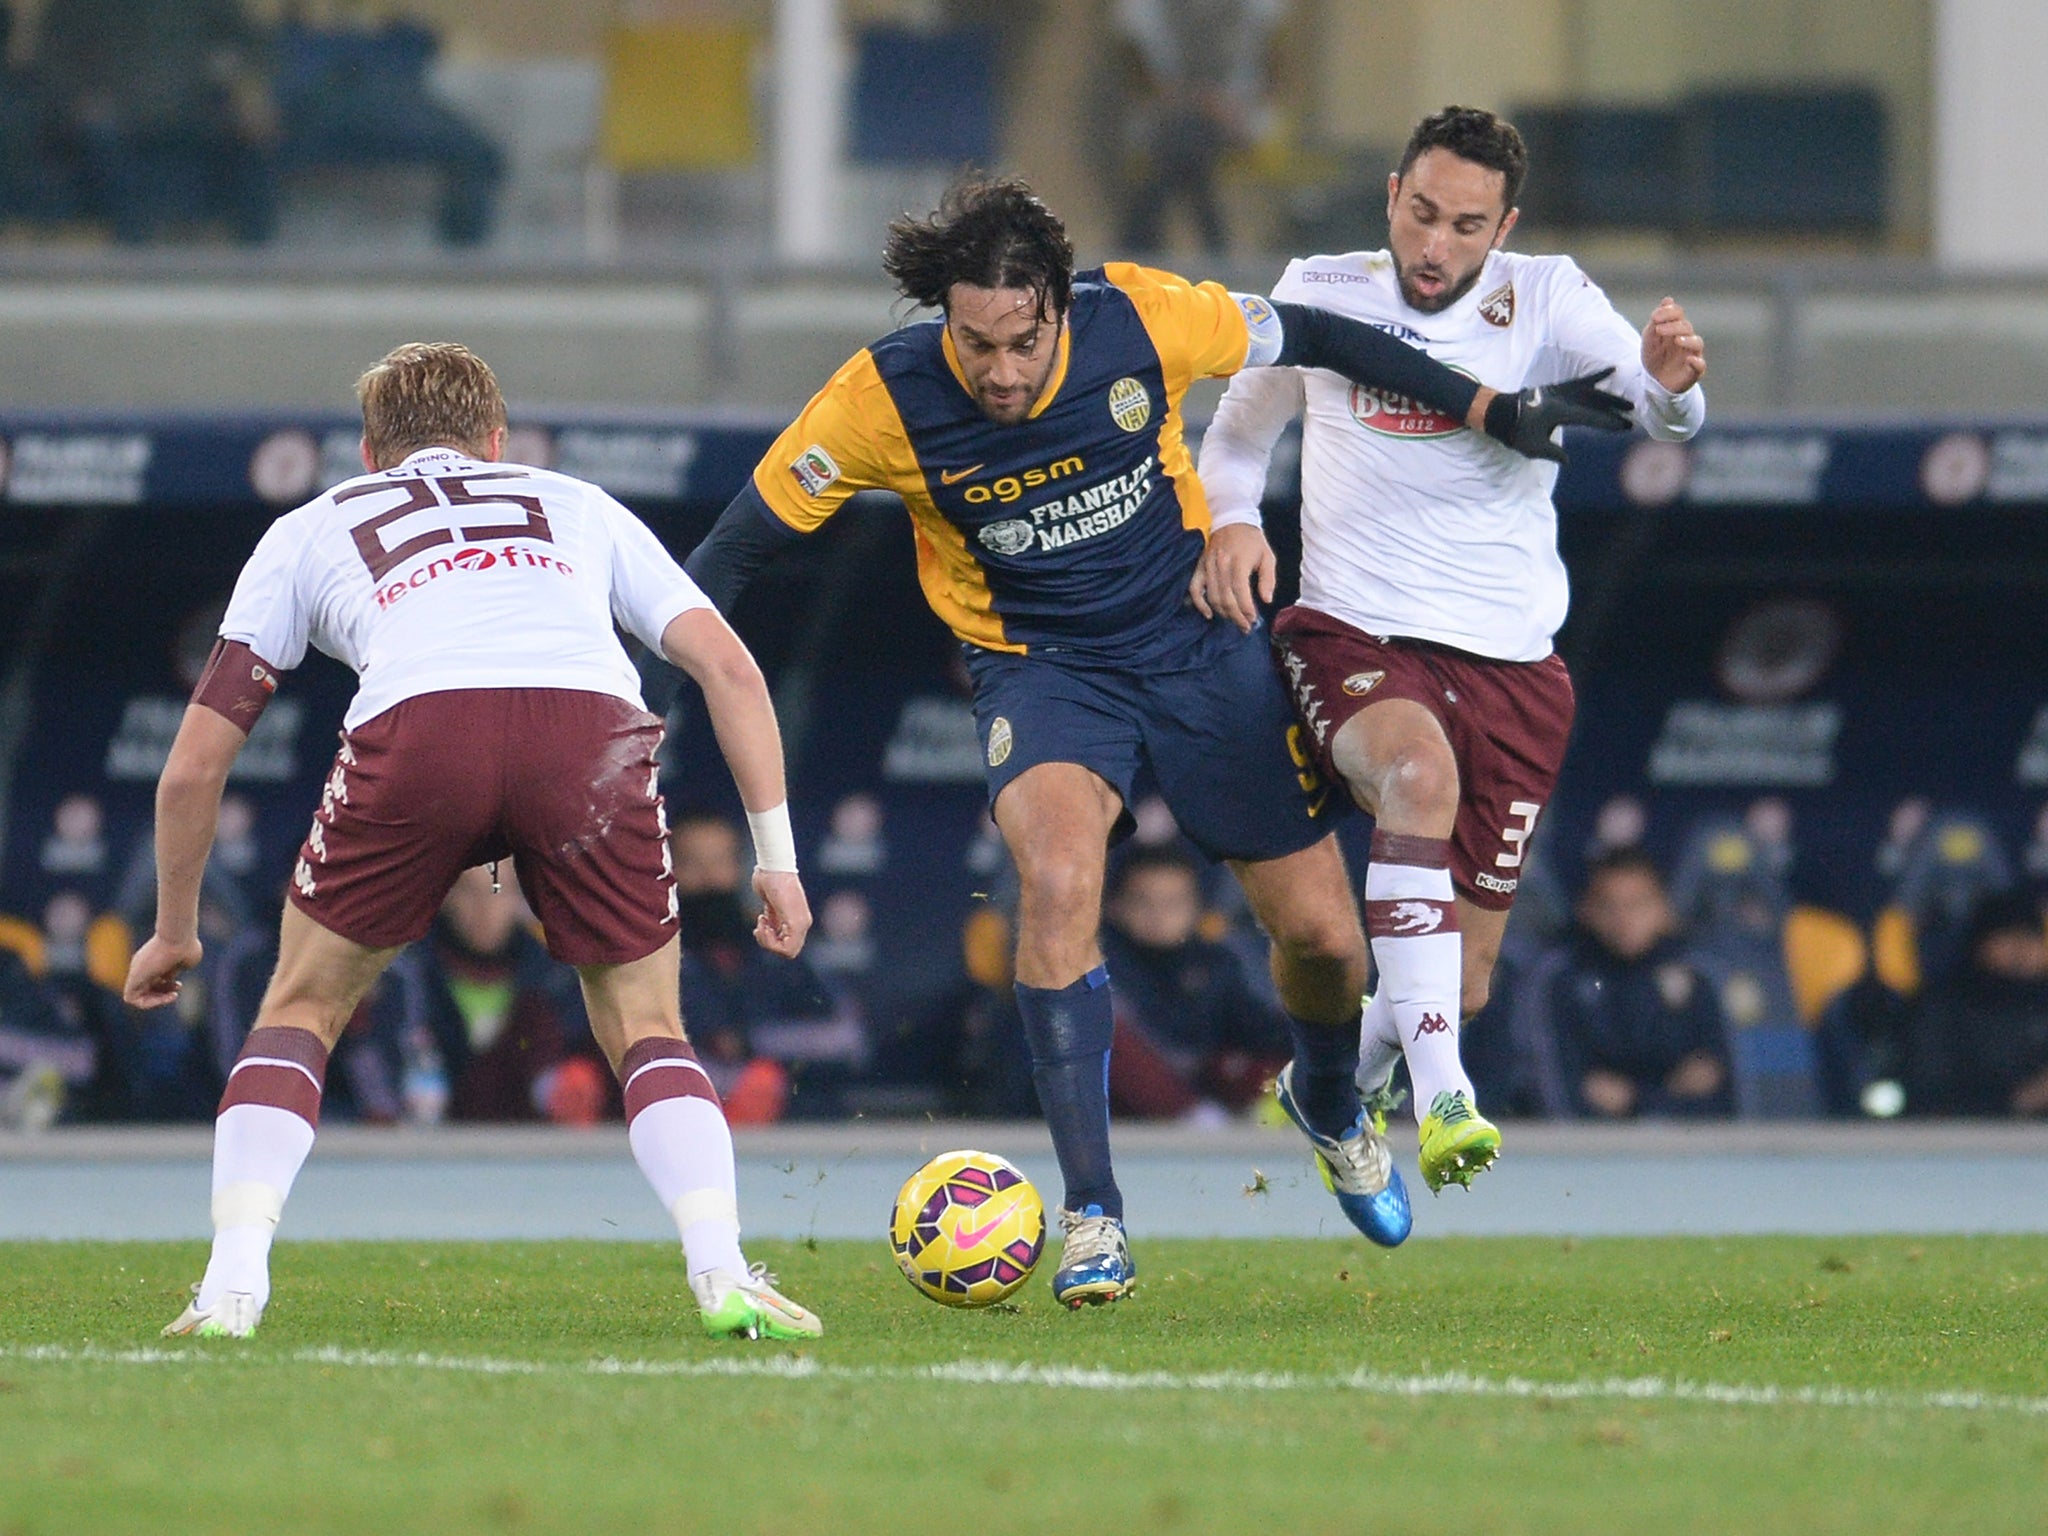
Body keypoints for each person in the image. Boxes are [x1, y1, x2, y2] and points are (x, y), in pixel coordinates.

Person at [683, 174, 1627, 1303]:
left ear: (1059, 309)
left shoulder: (1143, 315)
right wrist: (624, 682)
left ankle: (1326, 1098)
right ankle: (1093, 1214)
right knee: (1058, 876)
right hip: (1039, 669)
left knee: (1326, 946)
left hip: (1195, 641)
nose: (998, 372)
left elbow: (1320, 331)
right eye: (973, 344)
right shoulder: (875, 401)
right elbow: (730, 556)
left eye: (1021, 342)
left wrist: (1486, 409)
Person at [124, 342, 821, 1342]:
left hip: (421, 730)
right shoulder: (577, 502)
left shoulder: (310, 527)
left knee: (305, 1004)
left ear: (370, 455)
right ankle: (720, 1273)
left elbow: (193, 767)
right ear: (496, 444)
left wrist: (174, 930)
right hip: (587, 732)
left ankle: (232, 1286)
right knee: (645, 1026)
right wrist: (777, 862)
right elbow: (732, 673)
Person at [1198, 106, 1707, 1181]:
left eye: (1463, 226)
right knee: (1414, 777)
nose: (1433, 247)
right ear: (1390, 195)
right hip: (1354, 631)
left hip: (1515, 665)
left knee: (1460, 986)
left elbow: (1655, 414)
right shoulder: (1320, 289)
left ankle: (1324, 1089)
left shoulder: (1548, 295)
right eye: (1419, 214)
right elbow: (1235, 440)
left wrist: (1672, 382)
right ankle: (1443, 1099)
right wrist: (1233, 522)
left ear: (1501, 226)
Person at [1098, 845, 1288, 1120]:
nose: (1158, 916)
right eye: (1143, 902)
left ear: (1198, 908)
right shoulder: (1096, 964)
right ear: (1114, 907)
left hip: (1205, 1099)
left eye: (1173, 903)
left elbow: (1260, 1032)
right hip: (1119, 1121)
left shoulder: (1215, 964)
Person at [1543, 848, 1731, 1120]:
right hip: (1590, 1154)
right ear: (1586, 910)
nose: (1624, 919)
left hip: (1688, 1154)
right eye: (1609, 905)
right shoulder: (1559, 979)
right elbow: (1558, 1091)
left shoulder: (1699, 975)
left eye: (1638, 904)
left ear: (1664, 909)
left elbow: (1719, 1088)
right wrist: (1669, 1093)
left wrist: (1633, 1099)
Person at [1908, 891, 2048, 1117]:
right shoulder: (1945, 1008)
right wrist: (2019, 1101)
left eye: (2031, 937)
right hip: (1970, 1143)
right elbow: (1929, 1095)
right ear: (1980, 944)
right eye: (2008, 937)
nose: (2021, 949)